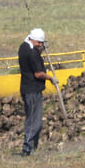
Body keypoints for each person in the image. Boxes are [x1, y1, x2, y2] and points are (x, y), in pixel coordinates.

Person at [18, 27, 57, 156]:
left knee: (33, 119)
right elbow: (38, 73)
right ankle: (28, 147)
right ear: (32, 39)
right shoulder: (32, 53)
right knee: (35, 121)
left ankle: (32, 147)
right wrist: (50, 78)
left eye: (42, 43)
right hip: (32, 89)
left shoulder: (23, 47)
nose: (40, 45)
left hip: (26, 87)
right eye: (39, 43)